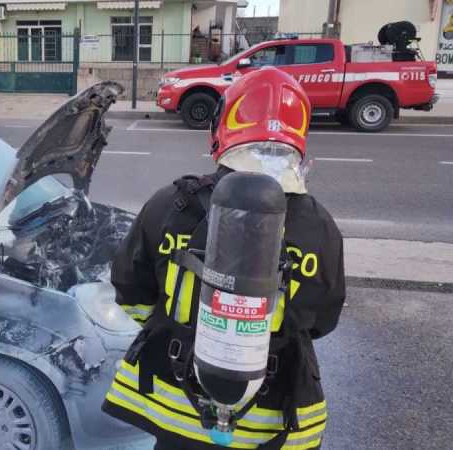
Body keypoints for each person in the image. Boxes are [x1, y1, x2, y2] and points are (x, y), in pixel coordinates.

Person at [102, 67, 345, 449]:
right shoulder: (319, 226)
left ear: (222, 129)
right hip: (268, 422)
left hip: (174, 404)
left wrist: (179, 328)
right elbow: (322, 320)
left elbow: (129, 289)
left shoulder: (171, 204)